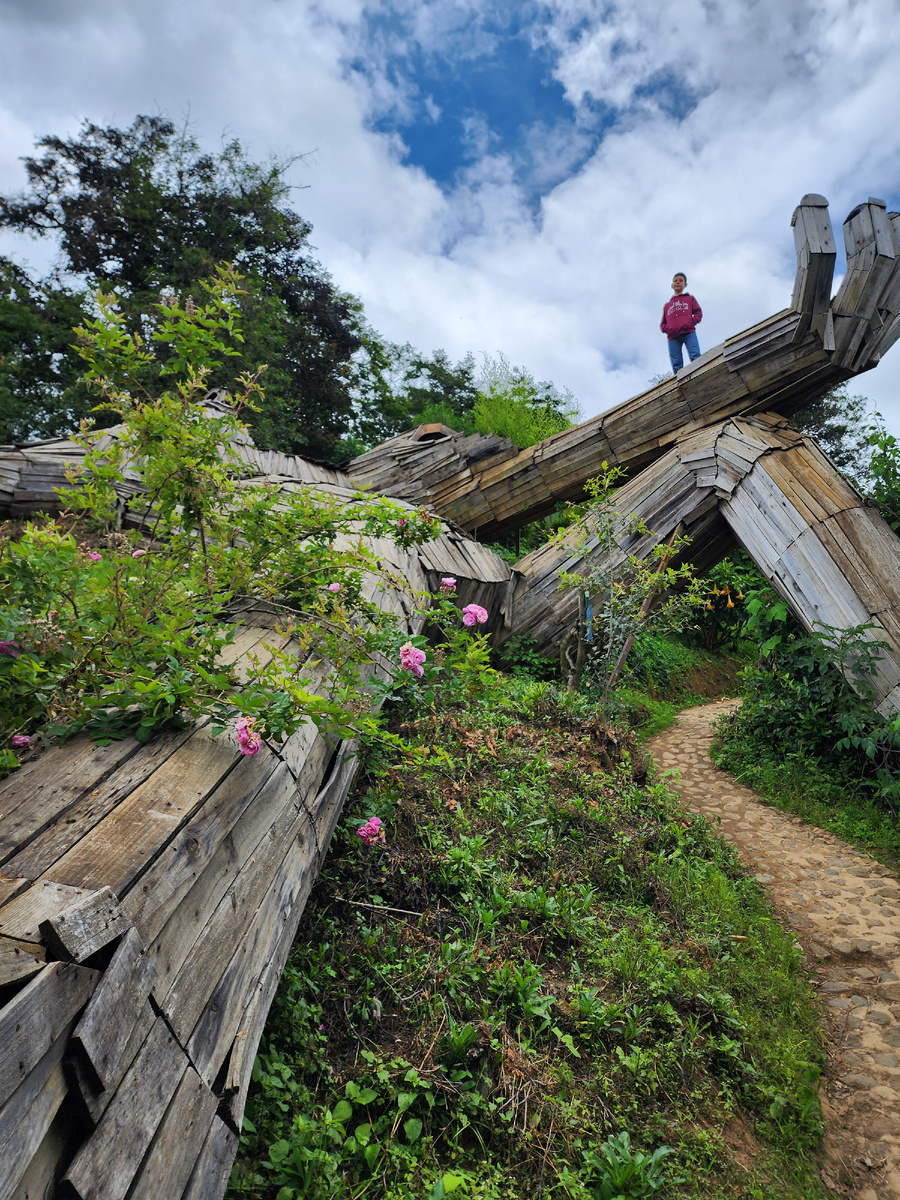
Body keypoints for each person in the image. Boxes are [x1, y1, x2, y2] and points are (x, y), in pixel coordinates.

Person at [660, 273, 702, 373]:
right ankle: (680, 384)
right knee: (676, 364)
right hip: (673, 337)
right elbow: (662, 324)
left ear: (685, 285)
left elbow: (698, 313)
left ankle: (699, 374)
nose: (678, 282)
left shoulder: (689, 299)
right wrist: (669, 329)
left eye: (681, 280)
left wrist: (690, 322)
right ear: (672, 285)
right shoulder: (667, 306)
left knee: (695, 356)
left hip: (688, 332)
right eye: (675, 281)